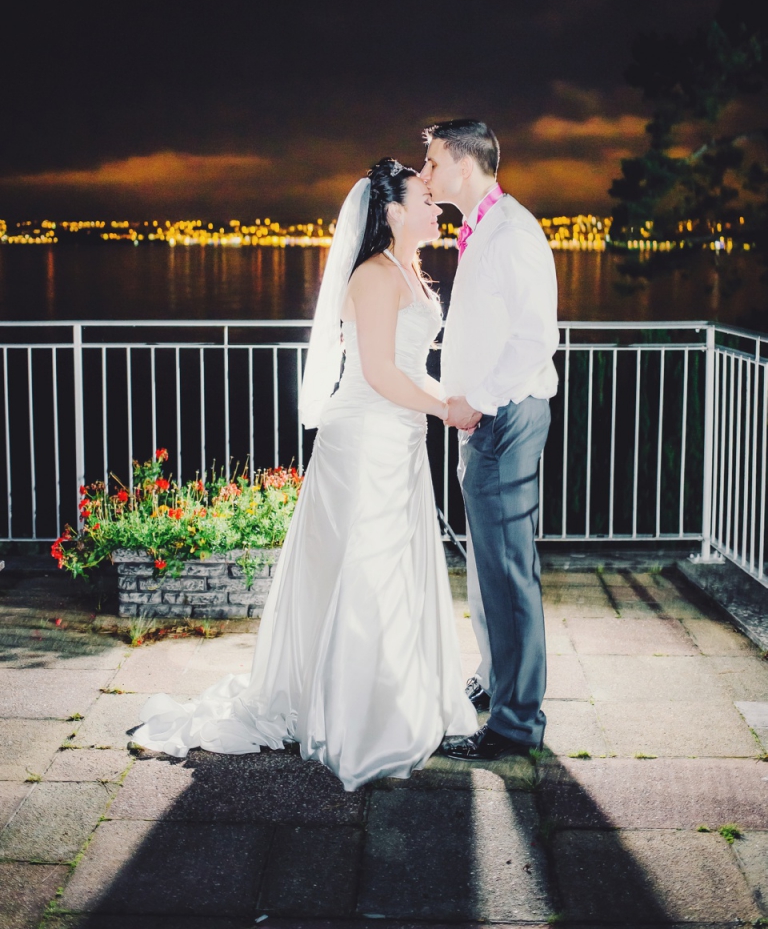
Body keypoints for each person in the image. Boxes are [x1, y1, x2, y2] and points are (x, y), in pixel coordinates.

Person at [133, 158, 477, 791]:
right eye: (426, 200)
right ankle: (358, 721)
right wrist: (447, 408)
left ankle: (392, 697)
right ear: (394, 211)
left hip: (397, 436)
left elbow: (406, 363)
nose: (438, 209)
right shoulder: (374, 277)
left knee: (393, 568)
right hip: (366, 439)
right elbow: (377, 372)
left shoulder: (411, 270)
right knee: (366, 571)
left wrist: (449, 396)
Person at [420, 119, 559, 761]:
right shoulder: (482, 232)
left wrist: (477, 400)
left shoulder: (513, 232)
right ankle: (496, 676)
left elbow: (535, 338)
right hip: (487, 420)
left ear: (466, 166)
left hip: (504, 417)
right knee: (486, 562)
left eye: (433, 164)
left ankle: (515, 724)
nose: (426, 176)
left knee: (506, 572)